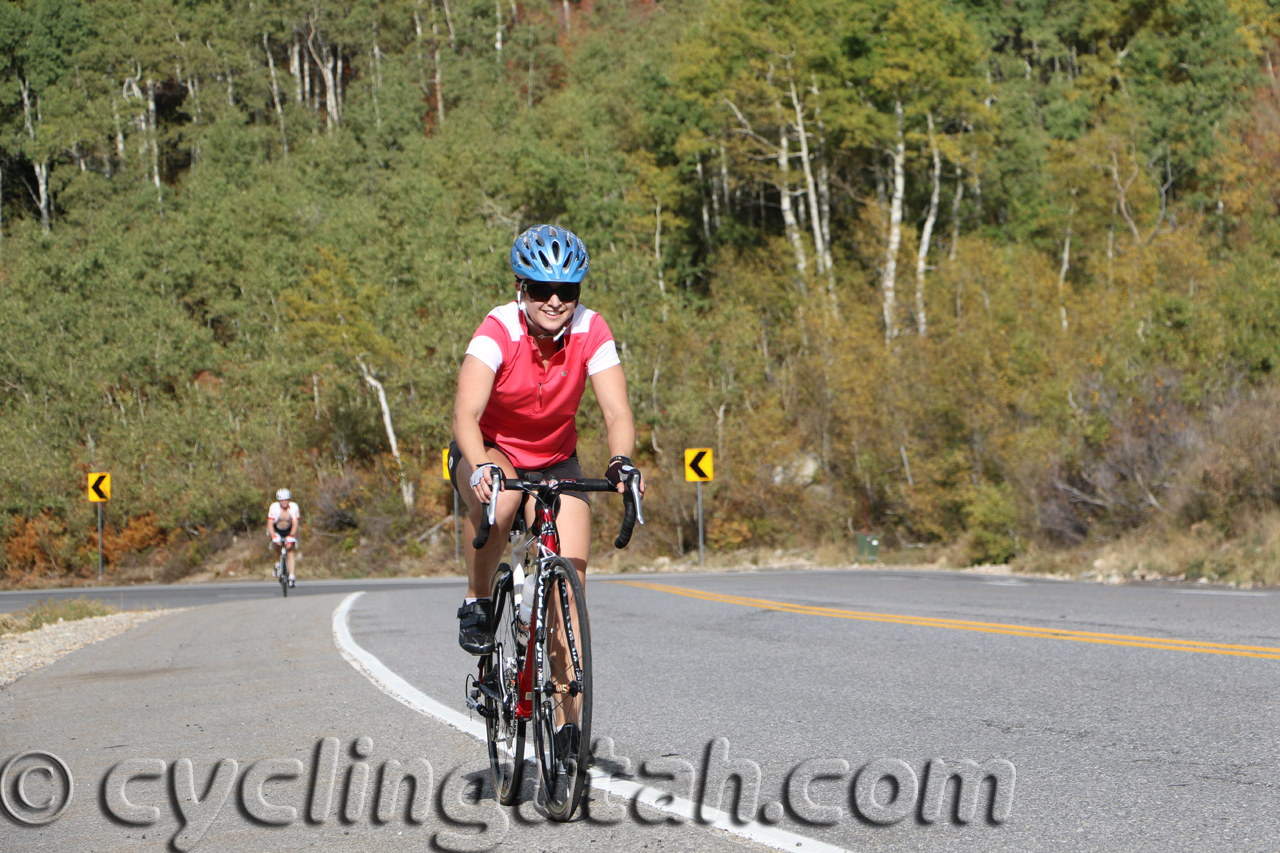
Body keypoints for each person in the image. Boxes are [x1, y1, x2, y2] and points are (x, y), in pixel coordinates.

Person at [449, 224, 645, 659]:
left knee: (571, 588)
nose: (555, 301)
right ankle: (477, 599)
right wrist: (480, 465)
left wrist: (620, 460)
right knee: (501, 499)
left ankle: (565, 704)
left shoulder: (591, 328)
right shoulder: (498, 328)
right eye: (541, 289)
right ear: (520, 288)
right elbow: (465, 415)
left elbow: (617, 412)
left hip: (555, 460)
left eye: (567, 290)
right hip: (489, 449)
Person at [267, 488, 299, 587]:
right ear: (279, 501)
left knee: (290, 550)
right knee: (277, 545)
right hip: (277, 529)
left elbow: (295, 523)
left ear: (289, 499)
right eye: (282, 500)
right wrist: (273, 536)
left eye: (286, 500)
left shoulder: (294, 507)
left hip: (289, 530)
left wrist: (291, 535)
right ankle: (277, 564)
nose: (284, 502)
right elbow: (270, 523)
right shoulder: (274, 507)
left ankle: (291, 576)